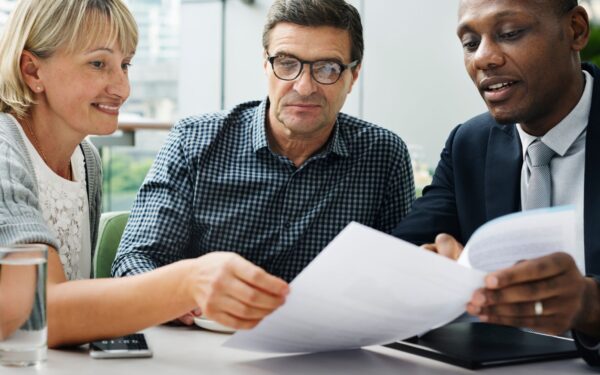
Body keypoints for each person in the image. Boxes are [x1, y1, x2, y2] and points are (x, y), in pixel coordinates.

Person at [0, 0, 288, 348]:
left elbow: (74, 316)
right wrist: (189, 281)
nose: (122, 88)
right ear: (32, 71)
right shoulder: (5, 151)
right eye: (97, 63)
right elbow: (39, 313)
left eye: (124, 65)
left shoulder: (86, 160)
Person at [113, 0, 415, 325]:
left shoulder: (383, 155)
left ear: (353, 75)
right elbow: (135, 260)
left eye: (327, 68)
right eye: (287, 64)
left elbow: (400, 280)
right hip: (204, 345)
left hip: (325, 350)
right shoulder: (194, 141)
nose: (304, 86)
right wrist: (189, 302)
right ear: (265, 65)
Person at [392, 0, 600, 366]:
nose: (483, 59)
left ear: (576, 30)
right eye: (470, 43)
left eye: (509, 34)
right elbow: (398, 253)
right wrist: (424, 271)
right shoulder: (468, 143)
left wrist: (590, 306)